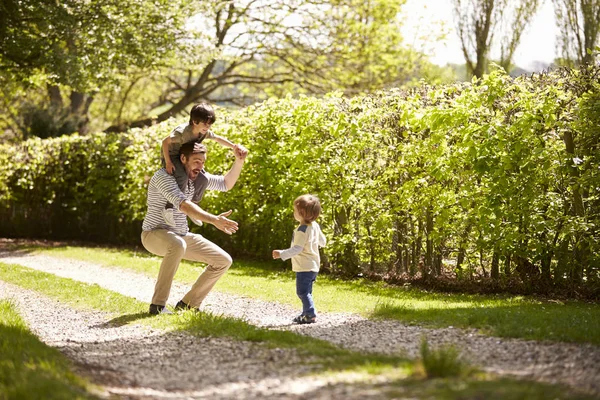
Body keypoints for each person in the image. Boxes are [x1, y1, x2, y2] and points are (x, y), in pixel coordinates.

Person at [142, 139, 247, 315]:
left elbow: (226, 183)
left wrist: (239, 161)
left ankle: (189, 304)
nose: (200, 166)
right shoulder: (164, 177)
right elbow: (183, 205)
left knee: (223, 261)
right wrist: (214, 220)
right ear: (183, 159)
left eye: (203, 162)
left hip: (181, 235)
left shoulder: (196, 178)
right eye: (196, 161)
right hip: (153, 234)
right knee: (177, 245)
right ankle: (157, 305)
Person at [161, 102, 247, 226]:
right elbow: (165, 142)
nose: (208, 127)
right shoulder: (182, 132)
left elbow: (217, 138)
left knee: (203, 178)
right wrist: (168, 162)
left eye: (210, 124)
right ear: (195, 122)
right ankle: (168, 207)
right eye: (205, 124)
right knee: (182, 177)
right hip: (173, 156)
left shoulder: (203, 132)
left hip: (186, 156)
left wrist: (233, 146)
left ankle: (194, 207)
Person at [272, 194, 327, 324]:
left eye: (295, 211)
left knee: (302, 292)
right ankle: (305, 313)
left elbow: (297, 248)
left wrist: (282, 254)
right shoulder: (314, 225)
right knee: (307, 291)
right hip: (313, 265)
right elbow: (323, 241)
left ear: (302, 213)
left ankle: (310, 314)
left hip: (304, 266)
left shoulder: (302, 230)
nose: (294, 213)